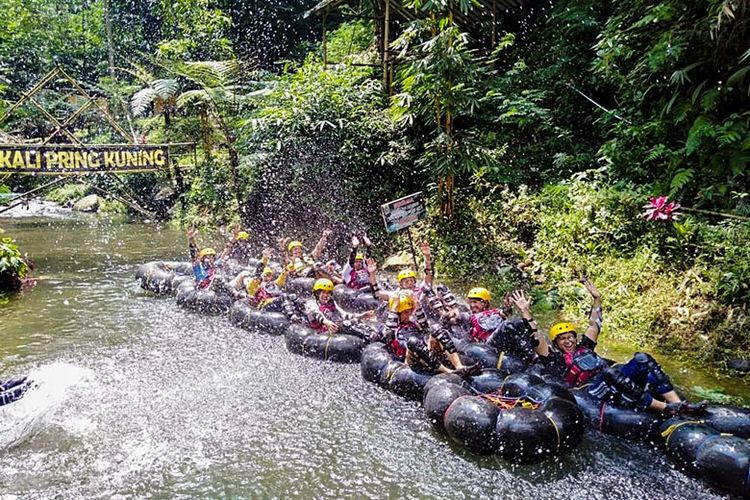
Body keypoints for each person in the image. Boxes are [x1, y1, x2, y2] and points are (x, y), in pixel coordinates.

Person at [536, 278, 706, 415]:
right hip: (590, 391)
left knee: (642, 358)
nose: (568, 341)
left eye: (571, 337)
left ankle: (679, 404)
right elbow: (537, 341)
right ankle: (663, 407)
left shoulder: (585, 347)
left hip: (610, 381)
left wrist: (597, 299)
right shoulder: (556, 360)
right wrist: (526, 312)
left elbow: (594, 324)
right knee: (609, 372)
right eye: (563, 339)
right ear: (556, 344)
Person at [377, 293, 475, 376]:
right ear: (397, 314)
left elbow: (425, 327)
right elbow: (388, 332)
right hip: (408, 359)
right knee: (413, 341)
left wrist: (417, 305)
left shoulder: (413, 323)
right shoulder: (390, 328)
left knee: (437, 329)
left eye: (409, 312)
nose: (408, 315)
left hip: (425, 353)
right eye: (405, 313)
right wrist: (394, 308)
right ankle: (449, 372)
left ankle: (459, 367)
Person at [305, 278, 376, 339]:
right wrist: (326, 322)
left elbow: (343, 315)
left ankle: (372, 335)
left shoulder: (331, 303)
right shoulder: (311, 303)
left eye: (328, 293)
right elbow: (315, 313)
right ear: (317, 293)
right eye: (323, 292)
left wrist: (361, 315)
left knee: (355, 323)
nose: (326, 295)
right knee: (346, 326)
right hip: (321, 335)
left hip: (336, 328)